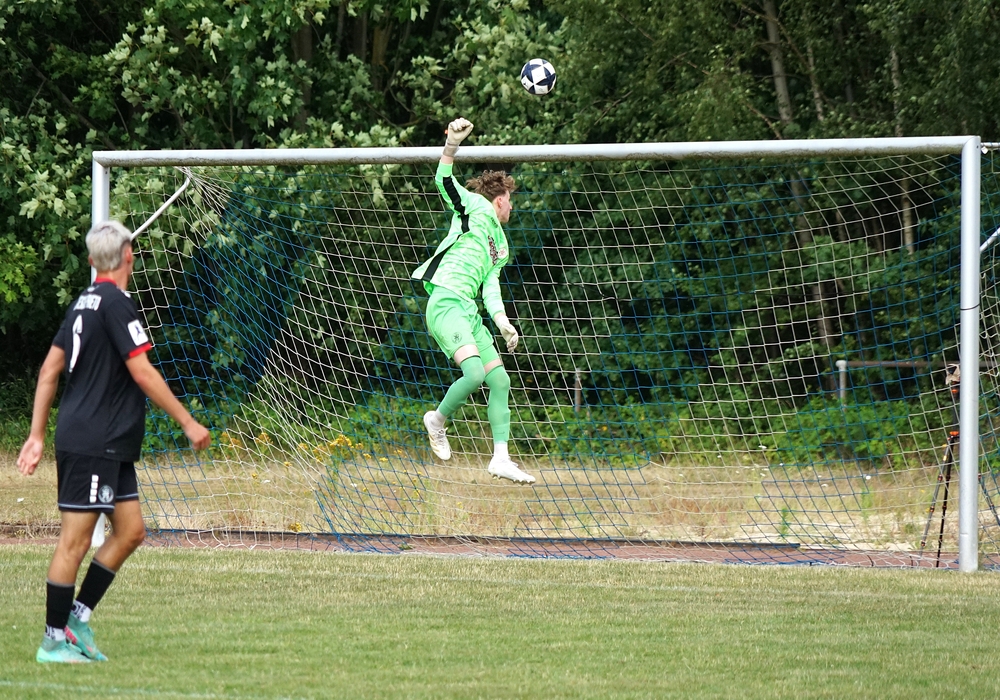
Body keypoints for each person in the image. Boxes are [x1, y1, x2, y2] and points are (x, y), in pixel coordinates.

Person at [16, 220, 211, 663]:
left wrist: (37, 435)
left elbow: (48, 371)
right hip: (93, 440)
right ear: (129, 256)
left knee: (130, 532)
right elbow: (142, 372)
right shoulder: (117, 304)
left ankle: (78, 618)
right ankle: (52, 641)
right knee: (75, 541)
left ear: (90, 260)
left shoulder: (82, 303)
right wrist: (187, 421)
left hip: (110, 442)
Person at [412, 117, 535, 484]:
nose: (512, 208)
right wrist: (451, 144)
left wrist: (502, 322)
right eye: (511, 201)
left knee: (500, 381)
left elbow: (490, 287)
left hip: (469, 311)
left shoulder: (502, 245)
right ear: (501, 199)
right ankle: (436, 420)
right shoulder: (474, 208)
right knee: (475, 374)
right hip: (446, 302)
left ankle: (501, 459)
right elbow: (444, 181)